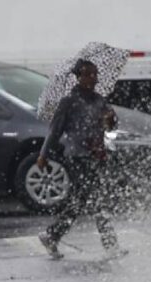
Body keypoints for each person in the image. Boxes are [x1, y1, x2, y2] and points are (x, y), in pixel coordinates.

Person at [36, 59, 125, 260]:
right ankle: (110, 246)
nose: (93, 79)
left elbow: (111, 126)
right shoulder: (69, 101)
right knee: (96, 200)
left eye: (95, 74)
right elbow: (54, 131)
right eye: (88, 75)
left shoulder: (100, 101)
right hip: (77, 156)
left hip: (96, 155)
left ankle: (52, 235)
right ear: (79, 77)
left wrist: (110, 120)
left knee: (82, 201)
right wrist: (43, 154)